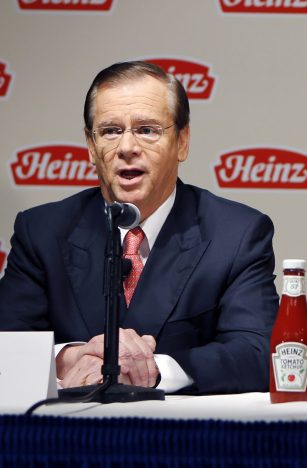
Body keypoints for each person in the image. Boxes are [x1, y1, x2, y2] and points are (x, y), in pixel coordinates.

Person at [0, 61, 279, 394]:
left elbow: (259, 355)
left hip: (181, 440)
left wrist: (154, 370)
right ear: (91, 146)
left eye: (147, 130)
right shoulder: (41, 231)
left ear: (182, 141)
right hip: (68, 437)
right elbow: (6, 344)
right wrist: (68, 357)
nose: (127, 148)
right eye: (110, 131)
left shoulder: (237, 235)